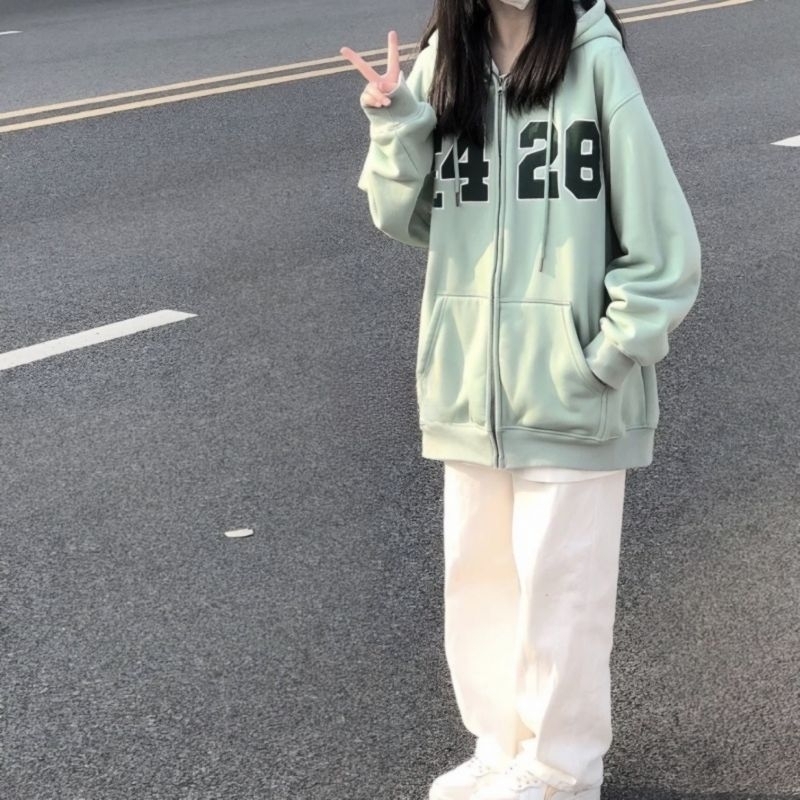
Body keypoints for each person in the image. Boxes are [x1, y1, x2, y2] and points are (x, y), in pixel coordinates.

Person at [341, 0, 701, 798]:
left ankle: (561, 769)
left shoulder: (595, 62)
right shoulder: (445, 65)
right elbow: (405, 219)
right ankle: (499, 746)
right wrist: (395, 122)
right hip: (472, 388)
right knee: (479, 583)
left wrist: (605, 356)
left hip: (573, 390)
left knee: (562, 592)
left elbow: (665, 247)